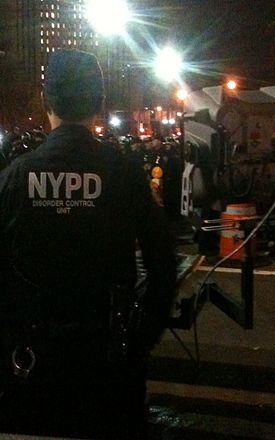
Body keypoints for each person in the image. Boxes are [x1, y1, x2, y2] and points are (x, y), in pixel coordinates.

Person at [0, 49, 177, 439]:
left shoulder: (15, 177)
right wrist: (138, 344)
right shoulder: (124, 172)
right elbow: (164, 266)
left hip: (32, 365)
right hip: (107, 366)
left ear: (46, 102)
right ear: (99, 102)